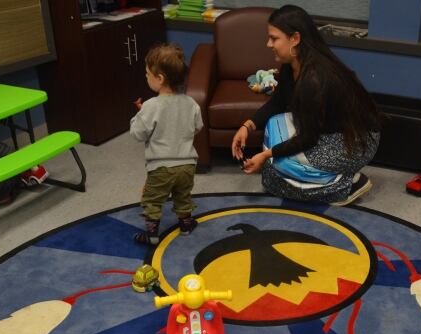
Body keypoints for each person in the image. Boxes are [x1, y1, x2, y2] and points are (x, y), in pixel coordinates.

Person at [231, 5, 385, 206]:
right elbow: (276, 103)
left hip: (355, 142)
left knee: (278, 167)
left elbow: (308, 138)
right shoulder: (291, 64)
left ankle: (348, 184)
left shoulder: (314, 78)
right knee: (273, 139)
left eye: (274, 38)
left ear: (295, 39)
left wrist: (267, 155)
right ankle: (309, 178)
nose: (268, 44)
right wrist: (247, 126)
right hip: (322, 131)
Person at [130, 43, 203, 245]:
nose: (146, 77)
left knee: (152, 199)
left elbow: (137, 133)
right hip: (188, 164)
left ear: (160, 78)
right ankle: (186, 224)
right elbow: (197, 127)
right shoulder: (191, 103)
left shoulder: (150, 106)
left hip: (161, 167)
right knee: (183, 195)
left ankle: (152, 234)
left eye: (147, 74)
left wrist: (139, 114)